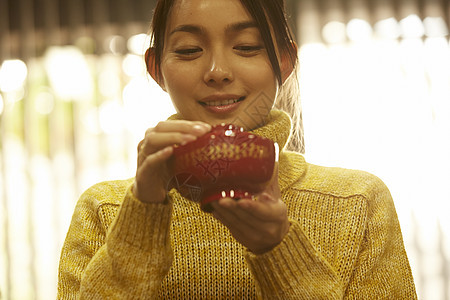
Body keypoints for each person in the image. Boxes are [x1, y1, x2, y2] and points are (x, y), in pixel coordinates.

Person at [57, 0, 417, 298]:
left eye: (246, 47)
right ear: (156, 69)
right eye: (189, 50)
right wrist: (141, 216)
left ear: (286, 62)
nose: (217, 71)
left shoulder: (357, 202)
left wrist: (280, 249)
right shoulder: (105, 210)